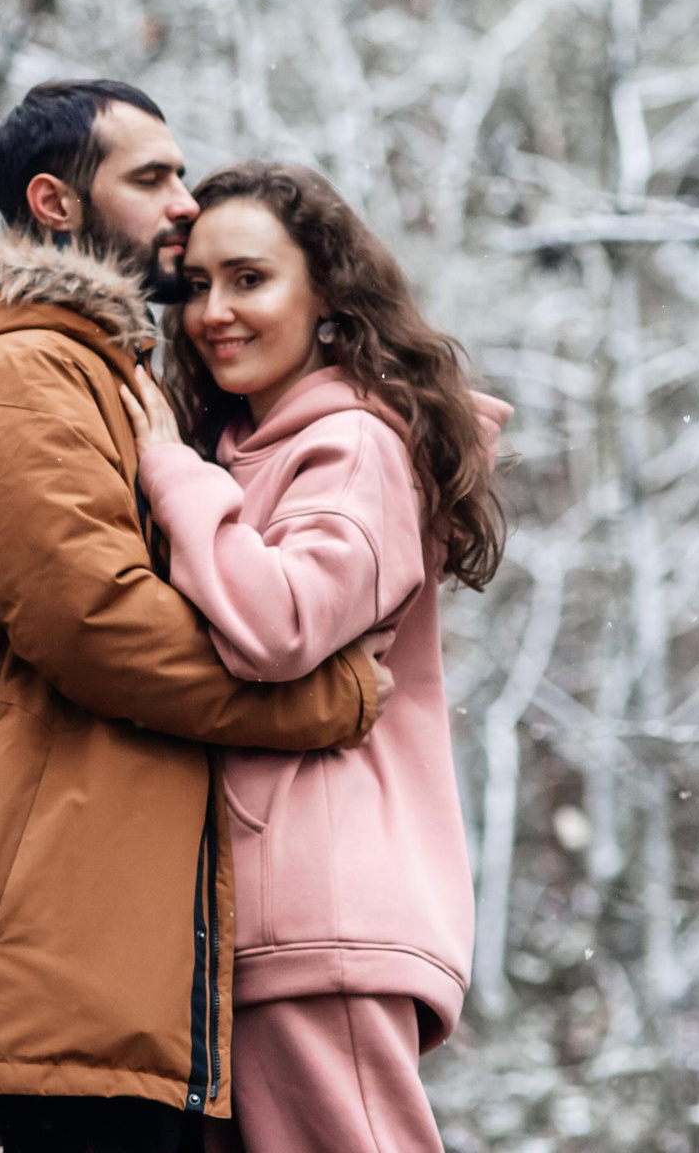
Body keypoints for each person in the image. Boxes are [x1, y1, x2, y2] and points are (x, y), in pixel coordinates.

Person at [0, 82, 394, 1153]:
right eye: (150, 176)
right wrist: (318, 703)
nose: (182, 202)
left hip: (98, 982)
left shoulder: (102, 376)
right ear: (54, 203)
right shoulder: (25, 369)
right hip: (39, 977)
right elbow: (97, 629)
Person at [121, 161, 507, 1153]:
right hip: (260, 919)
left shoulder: (354, 443)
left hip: (318, 913)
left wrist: (171, 470)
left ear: (328, 295)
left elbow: (280, 622)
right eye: (196, 285)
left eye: (249, 279)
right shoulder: (252, 446)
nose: (213, 312)